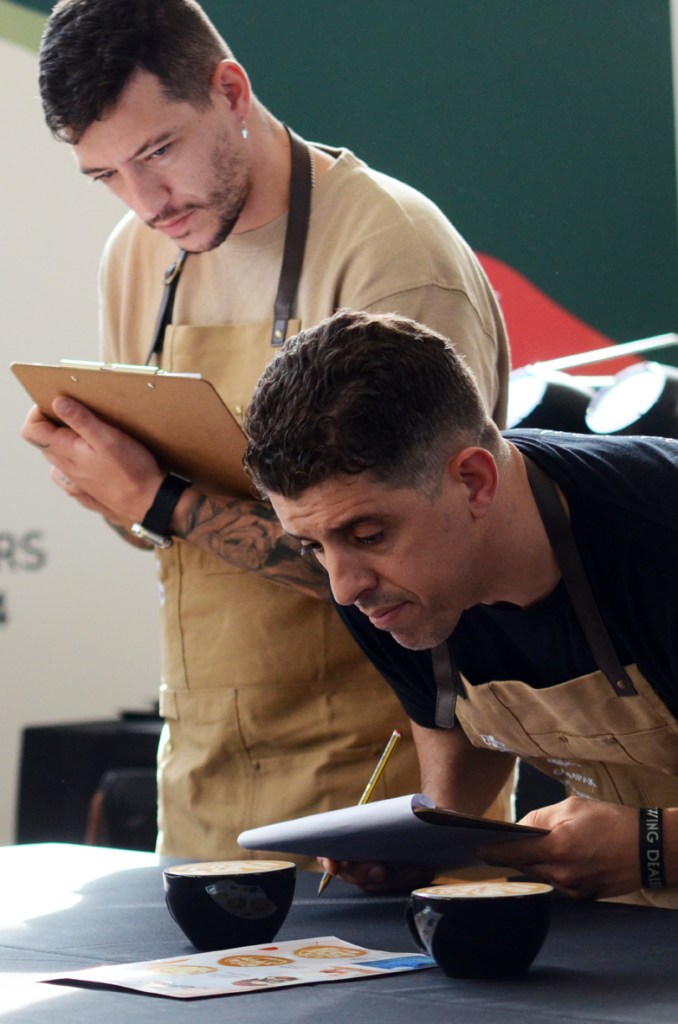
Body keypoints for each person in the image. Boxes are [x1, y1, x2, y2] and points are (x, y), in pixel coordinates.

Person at [21, 0, 511, 860]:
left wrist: (158, 498)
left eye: (157, 152)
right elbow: (159, 537)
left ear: (231, 91)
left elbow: (439, 576)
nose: (144, 202)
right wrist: (113, 489)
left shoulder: (390, 258)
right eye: (105, 176)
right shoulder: (137, 256)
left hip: (382, 782)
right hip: (205, 776)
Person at [243, 307, 678, 907]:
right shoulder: (379, 584)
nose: (344, 587)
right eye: (313, 545)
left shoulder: (658, 533)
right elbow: (452, 725)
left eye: (369, 534)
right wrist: (427, 842)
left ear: (473, 481)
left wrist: (657, 847)